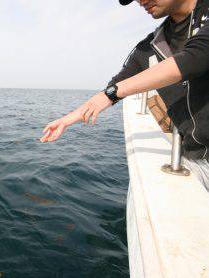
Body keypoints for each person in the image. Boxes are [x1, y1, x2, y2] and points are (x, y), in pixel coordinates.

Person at [40, 0, 209, 191]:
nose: (141, 1)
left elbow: (197, 57)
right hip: (195, 159)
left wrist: (112, 93)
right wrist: (70, 117)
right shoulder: (149, 47)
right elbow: (115, 86)